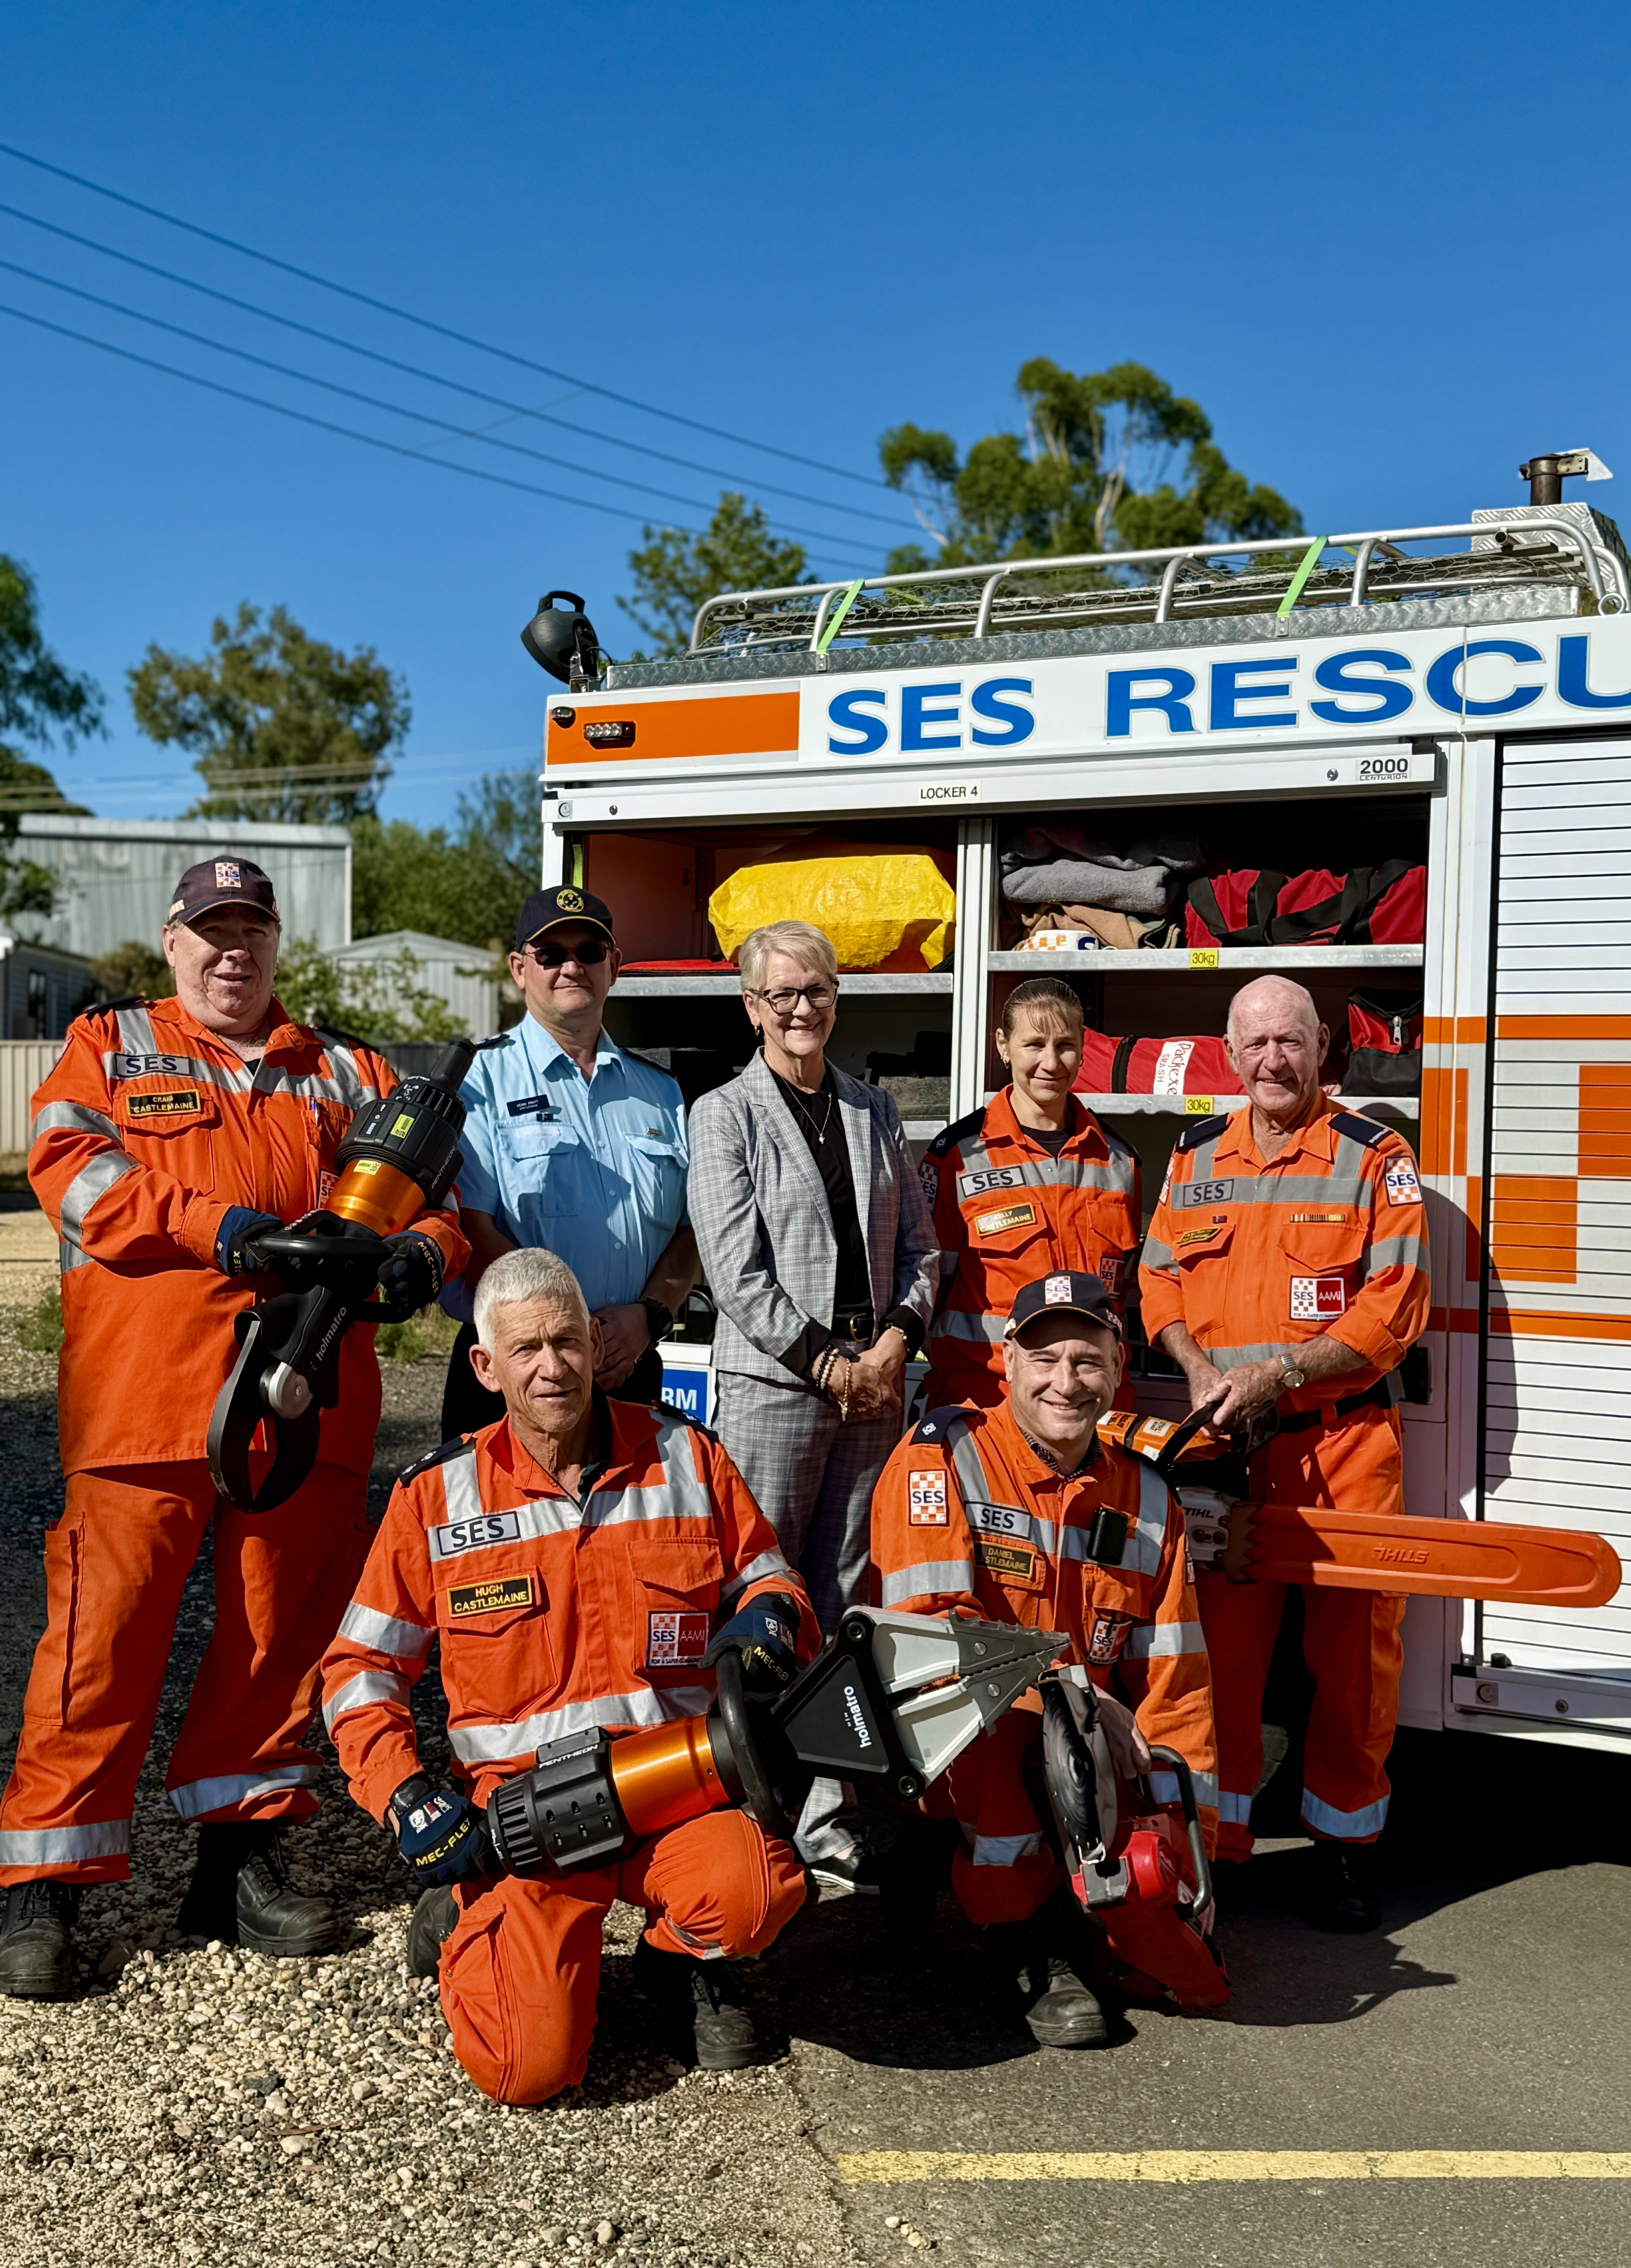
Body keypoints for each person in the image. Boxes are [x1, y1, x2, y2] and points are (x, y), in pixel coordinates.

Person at [0, 856, 468, 1998]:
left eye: (250, 930)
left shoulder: (350, 1067)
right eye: (209, 931)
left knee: (278, 1639)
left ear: (275, 946)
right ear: (173, 944)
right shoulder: (111, 1047)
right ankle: (43, 1887)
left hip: (309, 1404)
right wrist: (230, 1230)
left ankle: (239, 1862)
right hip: (146, 1401)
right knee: (98, 1643)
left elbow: (442, 1200)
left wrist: (423, 1257)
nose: (230, 952)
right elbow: (73, 1172)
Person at [320, 1247, 811, 2102]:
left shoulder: (685, 1454)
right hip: (527, 1816)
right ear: (485, 1365)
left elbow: (768, 1575)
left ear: (595, 1340)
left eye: (566, 1341)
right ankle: (465, 1914)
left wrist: (769, 1618)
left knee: (757, 1891)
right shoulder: (435, 1496)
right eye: (525, 1349)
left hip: (673, 1785)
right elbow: (359, 1670)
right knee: (527, 2069)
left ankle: (675, 1966)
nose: (552, 1366)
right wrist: (409, 1798)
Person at [1138, 974, 1430, 1931]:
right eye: (1255, 1041)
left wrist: (1275, 1374)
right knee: (1217, 1654)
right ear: (1229, 1052)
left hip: (1341, 1442)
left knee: (1353, 1659)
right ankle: (1219, 1848)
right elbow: (1158, 1280)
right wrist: (1190, 1365)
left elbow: (1394, 1310)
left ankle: (1345, 1848)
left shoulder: (1372, 1156)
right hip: (1225, 1449)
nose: (1272, 1059)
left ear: (1322, 1051)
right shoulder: (1193, 1155)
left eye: (1291, 1041)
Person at [871, 1271, 1216, 2049]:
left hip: (1079, 1746)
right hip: (951, 1722)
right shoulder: (942, 1459)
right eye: (1045, 1358)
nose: (1066, 1381)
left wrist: (1195, 1854)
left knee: (1156, 1921)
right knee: (1013, 1740)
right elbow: (928, 1639)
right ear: (1006, 1360)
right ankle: (1025, 1940)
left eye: (1087, 1360)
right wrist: (1069, 1690)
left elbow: (1177, 1683)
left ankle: (1003, 1875)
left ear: (1119, 1368)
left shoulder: (1149, 1498)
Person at [686, 920, 939, 1889]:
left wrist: (893, 1345)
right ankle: (745, 1814)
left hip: (874, 1390)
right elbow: (735, 1271)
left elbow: (922, 1250)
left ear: (839, 999)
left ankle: (831, 1809)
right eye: (780, 995)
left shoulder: (874, 1110)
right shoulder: (724, 1115)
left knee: (849, 1604)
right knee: (760, 1603)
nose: (800, 1010)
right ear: (751, 1007)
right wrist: (831, 1364)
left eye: (816, 991)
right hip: (776, 1393)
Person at [441, 883, 698, 1434]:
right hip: (516, 1369)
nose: (571, 966)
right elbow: (470, 1227)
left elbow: (689, 1231)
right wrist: (566, 1332)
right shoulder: (476, 1083)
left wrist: (648, 1318)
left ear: (614, 966)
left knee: (635, 1521)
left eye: (589, 951)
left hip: (629, 1361)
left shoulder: (662, 1093)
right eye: (551, 954)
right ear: (518, 968)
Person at [920, 977, 1140, 1409]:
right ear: (1002, 1046)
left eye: (1065, 1044)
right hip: (985, 1399)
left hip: (1091, 1402)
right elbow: (925, 1281)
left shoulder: (1119, 1160)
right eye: (1034, 1044)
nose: (1051, 1062)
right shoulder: (957, 1156)